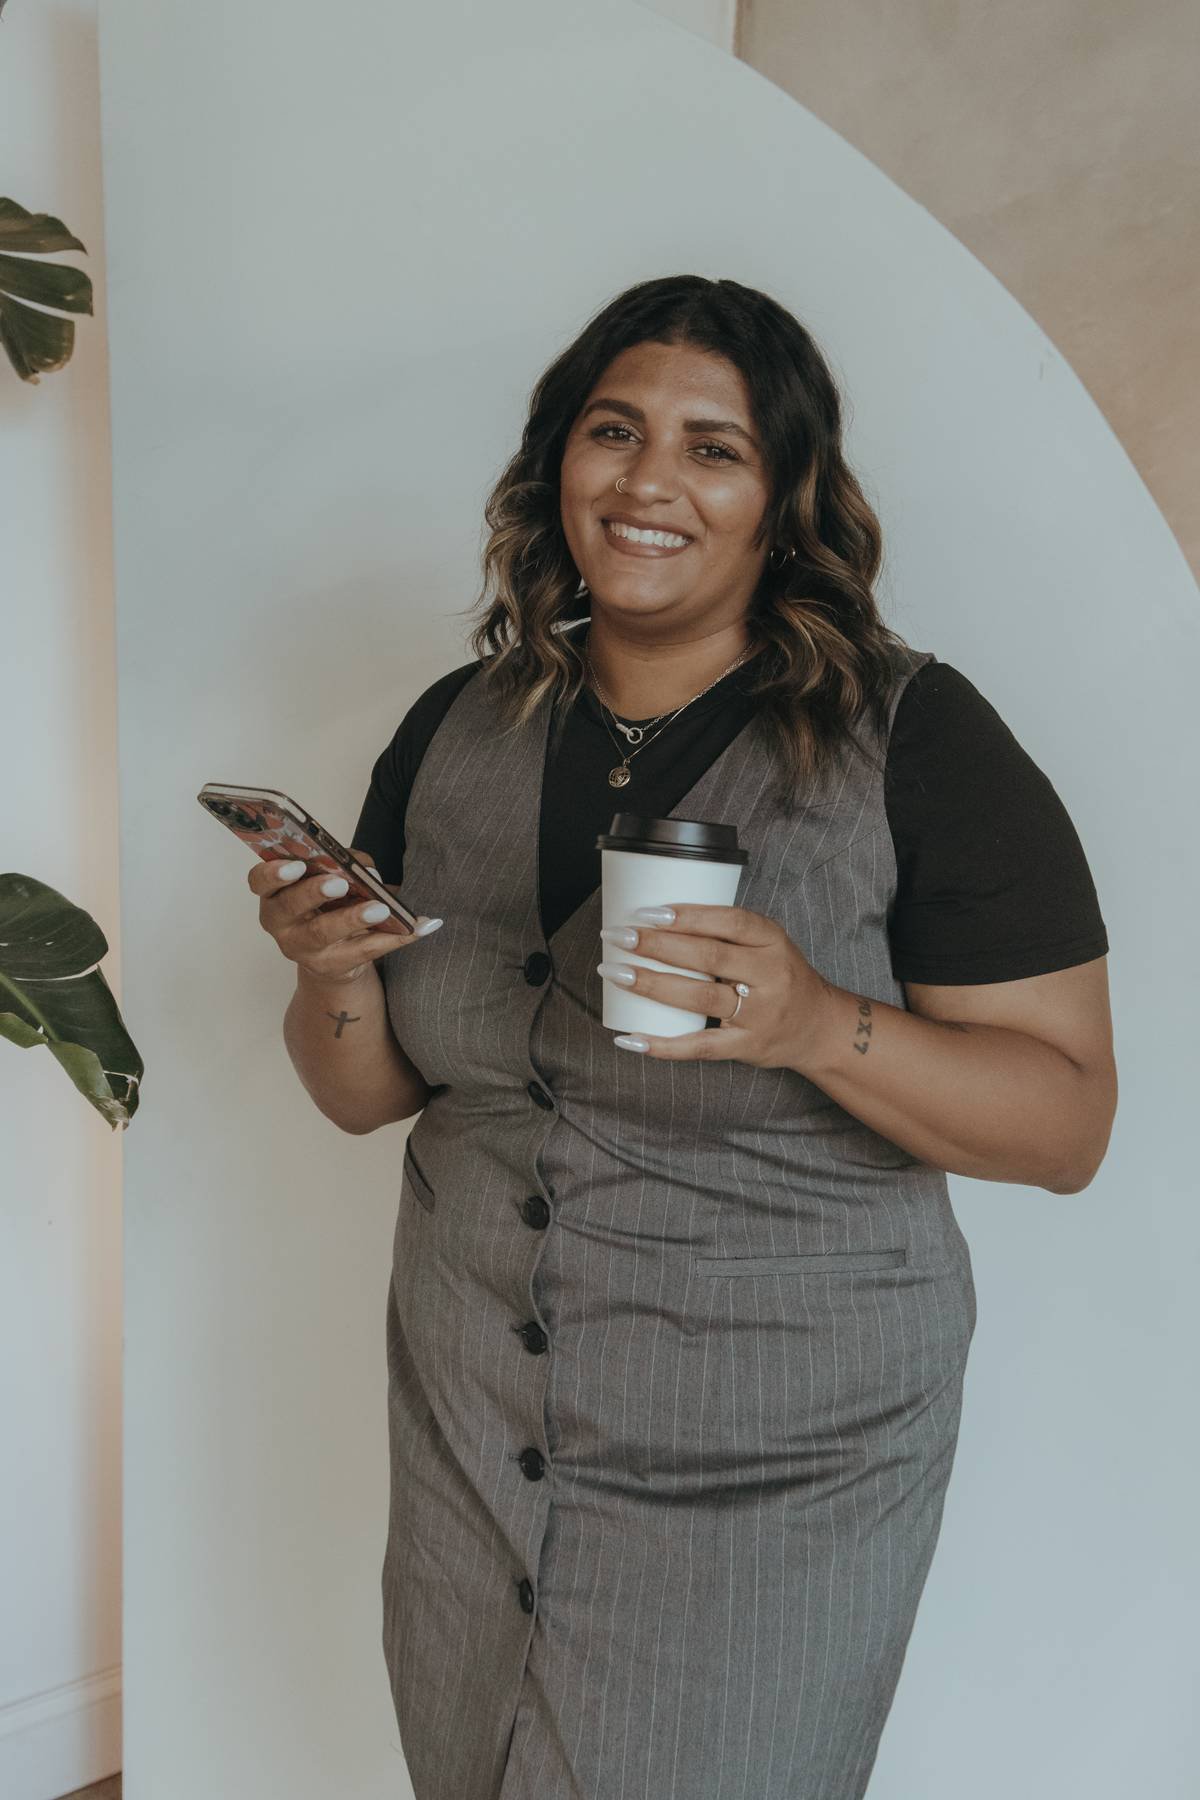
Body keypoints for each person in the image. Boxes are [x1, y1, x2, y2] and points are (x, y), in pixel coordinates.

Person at [248, 275, 1117, 1800]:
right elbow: (369, 1093)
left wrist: (818, 1023)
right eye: (613, 432)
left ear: (784, 501)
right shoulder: (460, 721)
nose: (650, 482)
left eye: (713, 449)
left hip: (779, 1458)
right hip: (475, 1436)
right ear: (554, 466)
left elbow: (1066, 1127)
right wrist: (330, 974)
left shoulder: (921, 738)